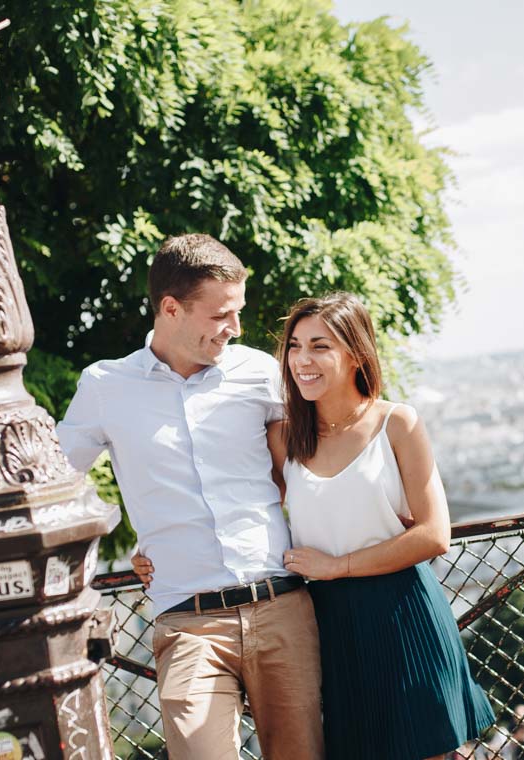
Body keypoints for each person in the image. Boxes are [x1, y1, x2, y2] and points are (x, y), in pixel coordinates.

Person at [57, 234, 324, 760]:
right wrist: (100, 557)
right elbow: (56, 483)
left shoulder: (259, 373)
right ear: (171, 308)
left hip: (282, 606)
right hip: (187, 620)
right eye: (221, 314)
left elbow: (308, 467)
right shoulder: (105, 385)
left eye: (238, 312)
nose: (236, 329)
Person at [275, 293, 496, 759]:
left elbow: (435, 533)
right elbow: (243, 508)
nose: (302, 360)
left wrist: (339, 565)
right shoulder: (284, 437)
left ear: (356, 353)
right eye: (295, 346)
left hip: (405, 612)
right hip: (329, 625)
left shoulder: (397, 423)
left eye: (320, 346)